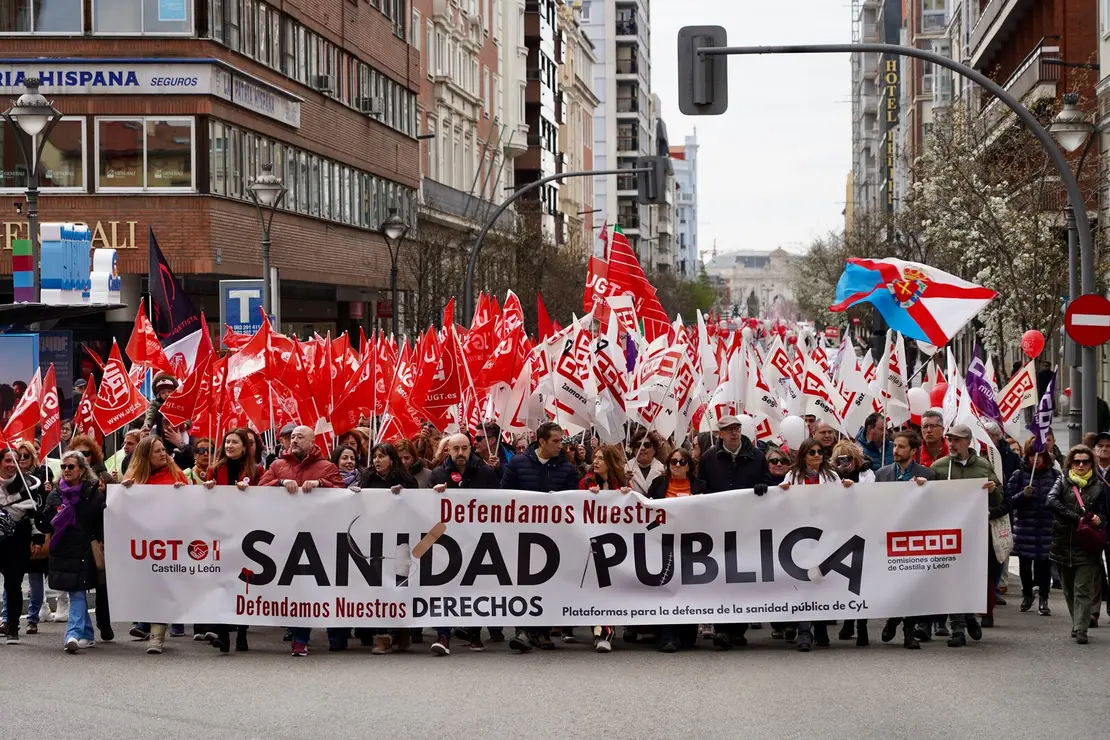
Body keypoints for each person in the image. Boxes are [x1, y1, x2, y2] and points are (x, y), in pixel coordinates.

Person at [257, 426, 344, 656]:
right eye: (292, 437)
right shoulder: (277, 466)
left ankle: (336, 635)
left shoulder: (327, 467)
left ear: (312, 441)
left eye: (299, 437)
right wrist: (279, 483)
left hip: (321, 535)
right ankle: (300, 639)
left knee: (327, 585)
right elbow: (260, 490)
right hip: (290, 535)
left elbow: (342, 492)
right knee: (300, 588)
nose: (294, 440)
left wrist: (321, 484)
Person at [501, 421, 578, 653]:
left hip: (553, 537)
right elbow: (503, 495)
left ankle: (542, 631)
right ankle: (523, 631)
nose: (560, 446)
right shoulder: (518, 463)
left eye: (561, 441)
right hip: (522, 534)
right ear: (542, 441)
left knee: (548, 581)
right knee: (523, 582)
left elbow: (574, 499)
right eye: (555, 441)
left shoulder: (566, 468)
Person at [697, 415, 772, 650]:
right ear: (720, 434)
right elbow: (702, 486)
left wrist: (763, 487)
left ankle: (738, 629)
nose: (734, 433)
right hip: (719, 526)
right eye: (729, 430)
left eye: (737, 429)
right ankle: (722, 629)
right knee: (721, 575)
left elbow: (768, 481)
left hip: (747, 525)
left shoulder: (757, 456)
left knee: (743, 575)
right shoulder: (709, 458)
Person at [428, 433, 503, 655]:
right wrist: (434, 494)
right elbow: (426, 506)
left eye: (465, 448)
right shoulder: (438, 474)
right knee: (444, 586)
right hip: (448, 539)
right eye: (455, 449)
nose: (460, 453)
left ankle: (474, 633)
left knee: (475, 585)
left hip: (478, 538)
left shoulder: (485, 472)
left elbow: (498, 501)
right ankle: (444, 635)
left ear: (471, 449)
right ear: (447, 451)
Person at [930, 424, 1000, 646]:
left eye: (957, 440)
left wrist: (992, 490)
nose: (951, 443)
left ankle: (969, 616)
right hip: (947, 534)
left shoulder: (983, 466)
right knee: (951, 579)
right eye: (949, 439)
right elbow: (926, 500)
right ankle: (957, 629)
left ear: (968, 442)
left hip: (974, 535)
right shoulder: (939, 467)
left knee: (970, 579)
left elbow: (1000, 498)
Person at [119, 436, 188, 654]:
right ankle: (149, 625)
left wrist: (183, 493)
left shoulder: (176, 474)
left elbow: (192, 505)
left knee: (162, 586)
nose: (162, 454)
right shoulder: (133, 478)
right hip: (144, 544)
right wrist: (125, 492)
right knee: (149, 587)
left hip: (170, 542)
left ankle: (157, 636)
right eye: (157, 451)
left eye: (163, 449)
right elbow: (122, 510)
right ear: (145, 456)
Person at [875, 431, 935, 648]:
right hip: (889, 537)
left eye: (901, 447)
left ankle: (909, 630)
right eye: (895, 446)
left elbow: (935, 506)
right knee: (894, 584)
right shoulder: (882, 473)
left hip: (914, 537)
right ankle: (893, 619)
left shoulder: (928, 474)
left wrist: (924, 490)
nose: (896, 451)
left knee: (911, 585)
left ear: (913, 451)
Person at [41, 451, 104, 654]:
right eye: (63, 467)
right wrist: (40, 515)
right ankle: (87, 634)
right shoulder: (55, 494)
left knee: (77, 592)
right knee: (73, 590)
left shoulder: (93, 494)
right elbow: (46, 523)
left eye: (71, 466)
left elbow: (100, 522)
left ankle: (72, 635)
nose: (66, 470)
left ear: (82, 470)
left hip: (84, 548)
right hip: (61, 549)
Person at [1047, 445, 1107, 645]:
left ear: (1091, 463)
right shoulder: (1062, 481)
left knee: (1083, 589)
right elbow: (1051, 501)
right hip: (1063, 544)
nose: (1081, 465)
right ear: (1070, 463)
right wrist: (1076, 518)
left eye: (1085, 461)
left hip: (1087, 546)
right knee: (1069, 590)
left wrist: (1099, 519)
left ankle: (1081, 628)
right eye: (1077, 461)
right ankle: (1077, 622)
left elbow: (1105, 514)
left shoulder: (1099, 485)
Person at [997, 438, 1059, 617]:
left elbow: (1060, 498)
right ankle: (1027, 594)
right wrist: (1022, 496)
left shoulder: (1054, 476)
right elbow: (1008, 502)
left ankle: (1044, 598)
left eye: (1039, 455)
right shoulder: (1018, 475)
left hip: (1047, 528)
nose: (1036, 459)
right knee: (1025, 564)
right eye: (1032, 455)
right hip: (1025, 528)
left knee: (1044, 565)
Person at [0, 448, 44, 644]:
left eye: (15, 461)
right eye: (8, 460)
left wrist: (36, 538)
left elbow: (34, 513)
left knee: (13, 583)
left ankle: (12, 627)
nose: (11, 465)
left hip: (17, 538)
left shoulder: (28, 485)